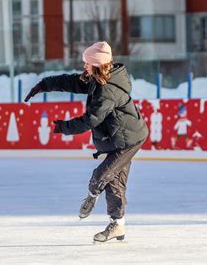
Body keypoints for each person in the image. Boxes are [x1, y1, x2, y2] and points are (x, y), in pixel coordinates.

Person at [25, 41, 149, 243]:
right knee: (115, 183)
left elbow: (91, 119)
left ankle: (92, 194)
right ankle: (117, 225)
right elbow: (72, 82)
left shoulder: (107, 89)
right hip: (119, 138)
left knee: (100, 176)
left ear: (98, 64)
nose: (84, 66)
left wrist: (64, 127)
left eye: (87, 63)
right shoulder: (97, 80)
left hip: (129, 140)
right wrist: (45, 85)